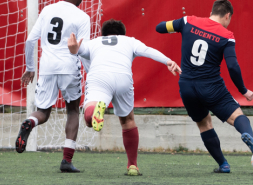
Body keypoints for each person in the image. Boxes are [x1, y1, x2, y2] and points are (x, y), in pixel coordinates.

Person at [155, 0, 253, 173]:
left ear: (212, 12)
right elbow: (232, 66)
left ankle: (223, 164)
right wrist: (243, 90)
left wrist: (175, 28)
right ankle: (248, 136)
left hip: (187, 87)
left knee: (204, 124)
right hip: (211, 87)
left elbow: (159, 27)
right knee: (237, 116)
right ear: (227, 16)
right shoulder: (226, 36)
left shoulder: (187, 21)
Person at [68, 19, 181, 176]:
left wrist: (74, 50)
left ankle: (94, 112)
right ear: (122, 34)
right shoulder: (129, 41)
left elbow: (77, 49)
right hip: (123, 78)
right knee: (127, 121)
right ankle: (132, 166)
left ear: (103, 34)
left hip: (100, 77)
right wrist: (168, 61)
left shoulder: (94, 42)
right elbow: (148, 50)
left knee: (89, 117)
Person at [16, 0, 91, 173]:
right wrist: (92, 74)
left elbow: (30, 41)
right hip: (68, 67)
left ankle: (29, 122)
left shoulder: (48, 10)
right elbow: (83, 50)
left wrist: (30, 68)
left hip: (47, 68)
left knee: (43, 112)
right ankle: (66, 161)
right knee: (73, 110)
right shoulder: (82, 17)